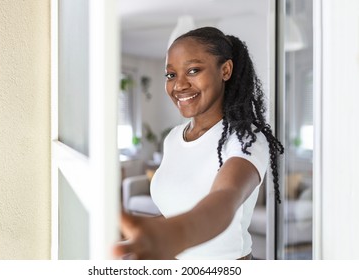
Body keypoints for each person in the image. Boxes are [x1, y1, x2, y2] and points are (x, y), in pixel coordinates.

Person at [114, 26, 284, 260]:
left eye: (193, 70)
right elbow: (180, 209)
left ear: (225, 70)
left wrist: (175, 235)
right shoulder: (174, 138)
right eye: (171, 75)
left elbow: (225, 198)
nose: (179, 85)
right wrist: (138, 240)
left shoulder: (245, 139)